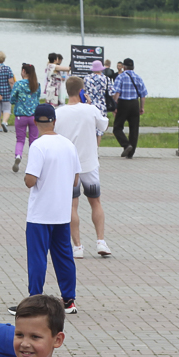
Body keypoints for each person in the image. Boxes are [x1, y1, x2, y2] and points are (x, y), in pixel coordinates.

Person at [22, 104, 82, 312]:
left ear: (35, 122)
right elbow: (75, 180)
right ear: (54, 121)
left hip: (40, 213)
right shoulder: (68, 145)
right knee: (64, 257)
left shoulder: (38, 146)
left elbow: (30, 180)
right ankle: (69, 300)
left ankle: (35, 300)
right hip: (62, 213)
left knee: (38, 258)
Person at [56, 75, 112, 259]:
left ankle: (77, 246)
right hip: (89, 164)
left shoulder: (58, 113)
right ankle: (101, 241)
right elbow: (103, 126)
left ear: (67, 91)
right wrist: (88, 103)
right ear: (81, 91)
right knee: (95, 202)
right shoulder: (91, 109)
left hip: (69, 166)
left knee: (72, 205)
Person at [111, 58, 147, 158]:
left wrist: (114, 106)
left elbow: (117, 93)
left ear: (123, 67)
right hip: (135, 103)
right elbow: (143, 95)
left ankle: (126, 145)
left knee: (117, 127)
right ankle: (131, 153)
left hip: (123, 103)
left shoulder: (120, 77)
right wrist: (142, 107)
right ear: (133, 67)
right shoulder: (138, 77)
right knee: (134, 129)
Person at [11, 64, 41, 173]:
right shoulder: (36, 84)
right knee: (34, 140)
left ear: (23, 71)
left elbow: (12, 99)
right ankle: (34, 162)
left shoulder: (18, 84)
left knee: (20, 139)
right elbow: (38, 98)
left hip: (20, 115)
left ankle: (18, 155)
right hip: (34, 116)